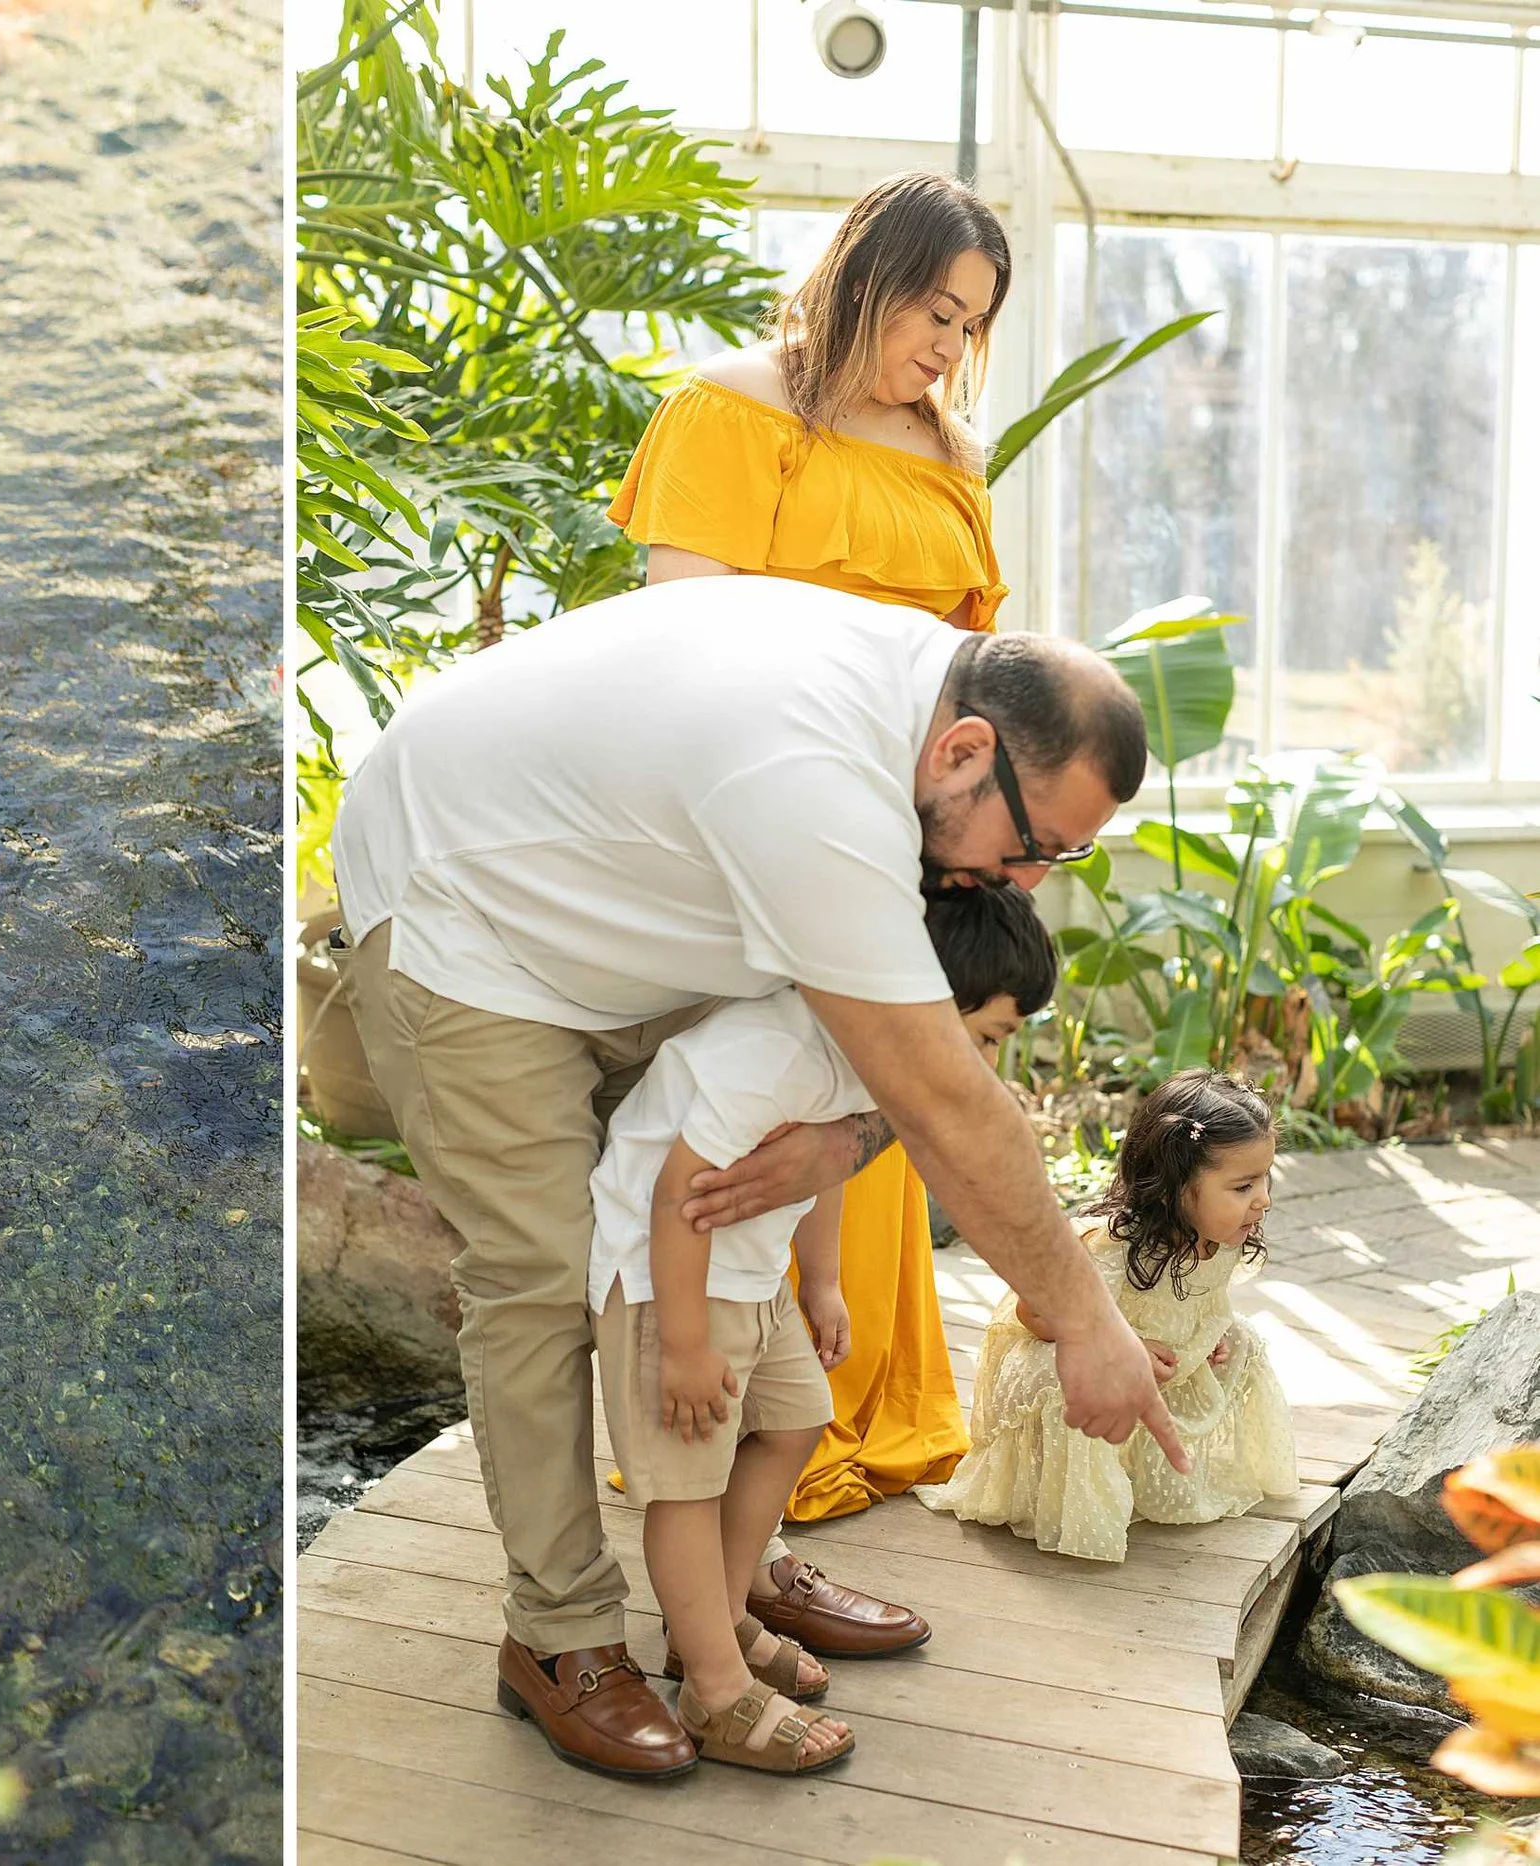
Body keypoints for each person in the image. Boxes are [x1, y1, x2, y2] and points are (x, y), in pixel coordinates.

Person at [330, 571, 1189, 1781]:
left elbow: (884, 1071)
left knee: (739, 1277)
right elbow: (945, 1097)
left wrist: (839, 1144)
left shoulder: (931, 729)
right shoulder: (810, 780)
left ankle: (723, 1586)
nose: (1026, 882)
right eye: (1032, 845)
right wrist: (1083, 1320)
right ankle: (562, 1638)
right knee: (538, 1273)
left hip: (630, 907)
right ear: (964, 749)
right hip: (464, 914)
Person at [605, 172, 1017, 1646]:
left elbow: (977, 671)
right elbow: (680, 643)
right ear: (864, 273)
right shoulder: (730, 412)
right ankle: (730, 1529)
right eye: (932, 310)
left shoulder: (945, 446)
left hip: (902, 837)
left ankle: (801, 1476)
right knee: (750, 1127)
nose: (944, 348)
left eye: (969, 327)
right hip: (761, 827)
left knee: (870, 1127)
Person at [586, 885, 1056, 1774]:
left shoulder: (864, 1051)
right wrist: (683, 1346)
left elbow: (830, 1161)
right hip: (665, 1281)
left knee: (797, 1418)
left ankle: (714, 1628)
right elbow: (676, 1194)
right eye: (987, 1037)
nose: (989, 1064)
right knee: (684, 1482)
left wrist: (826, 1282)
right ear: (924, 1002)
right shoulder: (770, 1051)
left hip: (749, 1274)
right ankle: (717, 1692)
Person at [917, 1071, 1299, 1562]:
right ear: (1173, 1185)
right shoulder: (1112, 1245)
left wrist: (1213, 1332)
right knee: (1057, 1377)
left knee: (1244, 1338)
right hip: (1072, 1354)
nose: (1263, 1199)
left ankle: (1152, 1476)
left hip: (1161, 1363)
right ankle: (1073, 1495)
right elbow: (1034, 1313)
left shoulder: (1220, 1236)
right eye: (1244, 1185)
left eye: (1265, 1178)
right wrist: (1122, 1347)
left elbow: (1199, 1300)